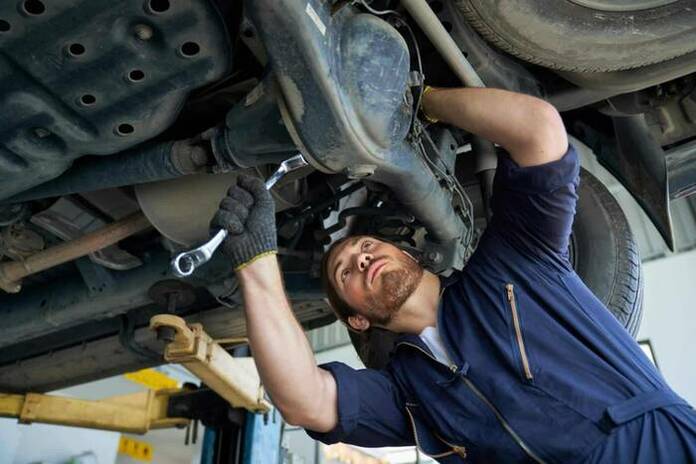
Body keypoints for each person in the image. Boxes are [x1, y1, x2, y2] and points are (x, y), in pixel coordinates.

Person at [211, 87, 696, 463]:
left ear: (411, 255)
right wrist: (256, 261)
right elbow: (306, 402)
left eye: (367, 245)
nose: (360, 258)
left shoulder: (513, 263)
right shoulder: (409, 393)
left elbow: (541, 132)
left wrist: (418, 102)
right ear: (358, 319)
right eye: (345, 273)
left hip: (655, 447)